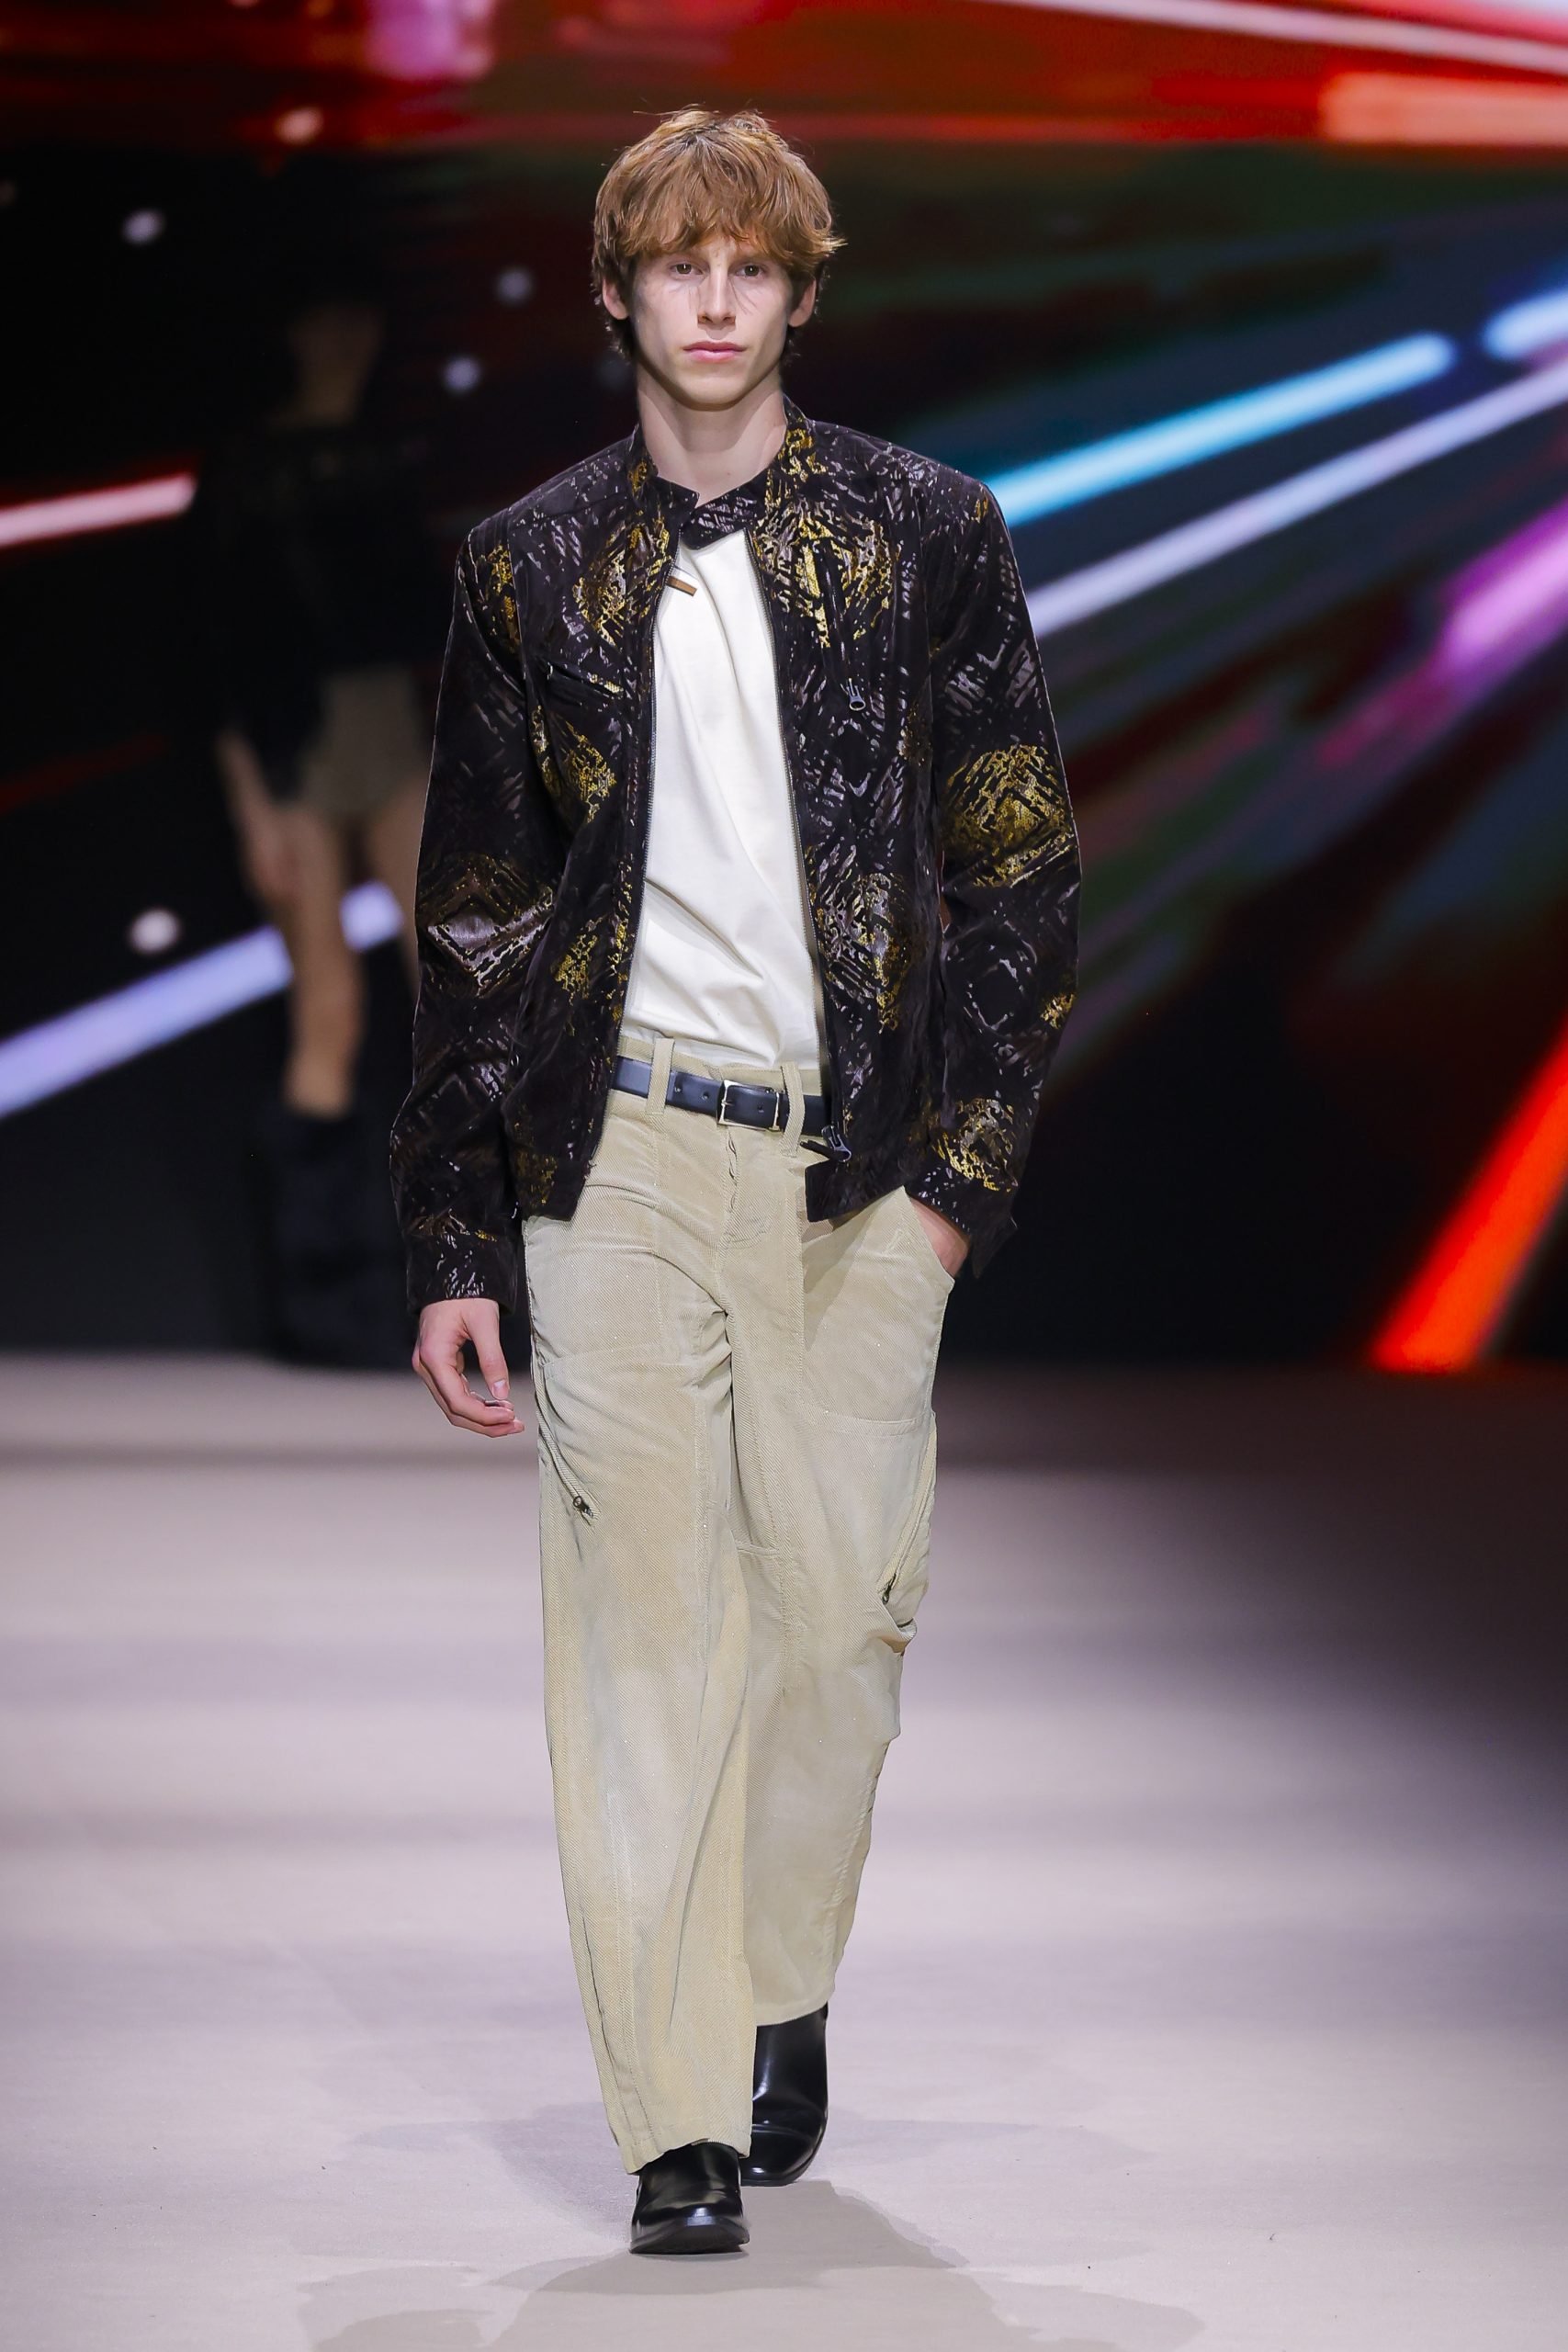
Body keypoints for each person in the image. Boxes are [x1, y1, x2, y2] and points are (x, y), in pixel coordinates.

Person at [392, 106, 1079, 2255]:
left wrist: (953, 1185)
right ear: (617, 294)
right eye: (677, 265)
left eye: (749, 266)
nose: (712, 301)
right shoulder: (524, 567)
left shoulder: (925, 531)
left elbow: (1020, 867)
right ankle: (675, 2110)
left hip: (856, 1171)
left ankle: (775, 1977)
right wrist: (457, 1226)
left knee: (837, 1628)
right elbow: (477, 913)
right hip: (613, 1161)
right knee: (641, 1640)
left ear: (796, 292)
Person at [196, 292, 443, 1366]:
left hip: (393, 730)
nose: (346, 339)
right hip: (296, 748)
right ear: (290, 333)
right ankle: (324, 1302)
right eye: (324, 320)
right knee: (329, 1008)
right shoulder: (251, 468)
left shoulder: (392, 453)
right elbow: (220, 644)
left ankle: (478, 1281)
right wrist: (251, 800)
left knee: (457, 997)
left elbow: (435, 610)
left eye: (359, 320)